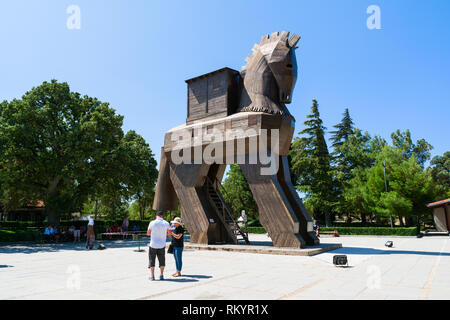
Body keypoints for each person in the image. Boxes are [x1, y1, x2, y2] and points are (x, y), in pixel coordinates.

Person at [147, 211, 171, 281]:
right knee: (162, 260)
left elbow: (148, 233)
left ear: (156, 216)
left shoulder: (152, 222)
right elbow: (169, 235)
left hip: (153, 244)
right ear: (162, 216)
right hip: (162, 245)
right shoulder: (166, 223)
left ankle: (152, 276)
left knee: (152, 260)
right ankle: (161, 275)